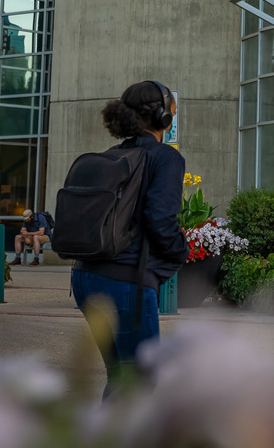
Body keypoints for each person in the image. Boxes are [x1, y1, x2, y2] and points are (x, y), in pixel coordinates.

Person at [70, 80, 187, 387]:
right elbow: (161, 220)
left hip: (85, 278)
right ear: (162, 117)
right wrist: (180, 253)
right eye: (172, 112)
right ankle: (103, 436)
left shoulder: (112, 155)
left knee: (122, 379)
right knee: (136, 385)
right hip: (125, 284)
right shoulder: (165, 158)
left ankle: (99, 435)